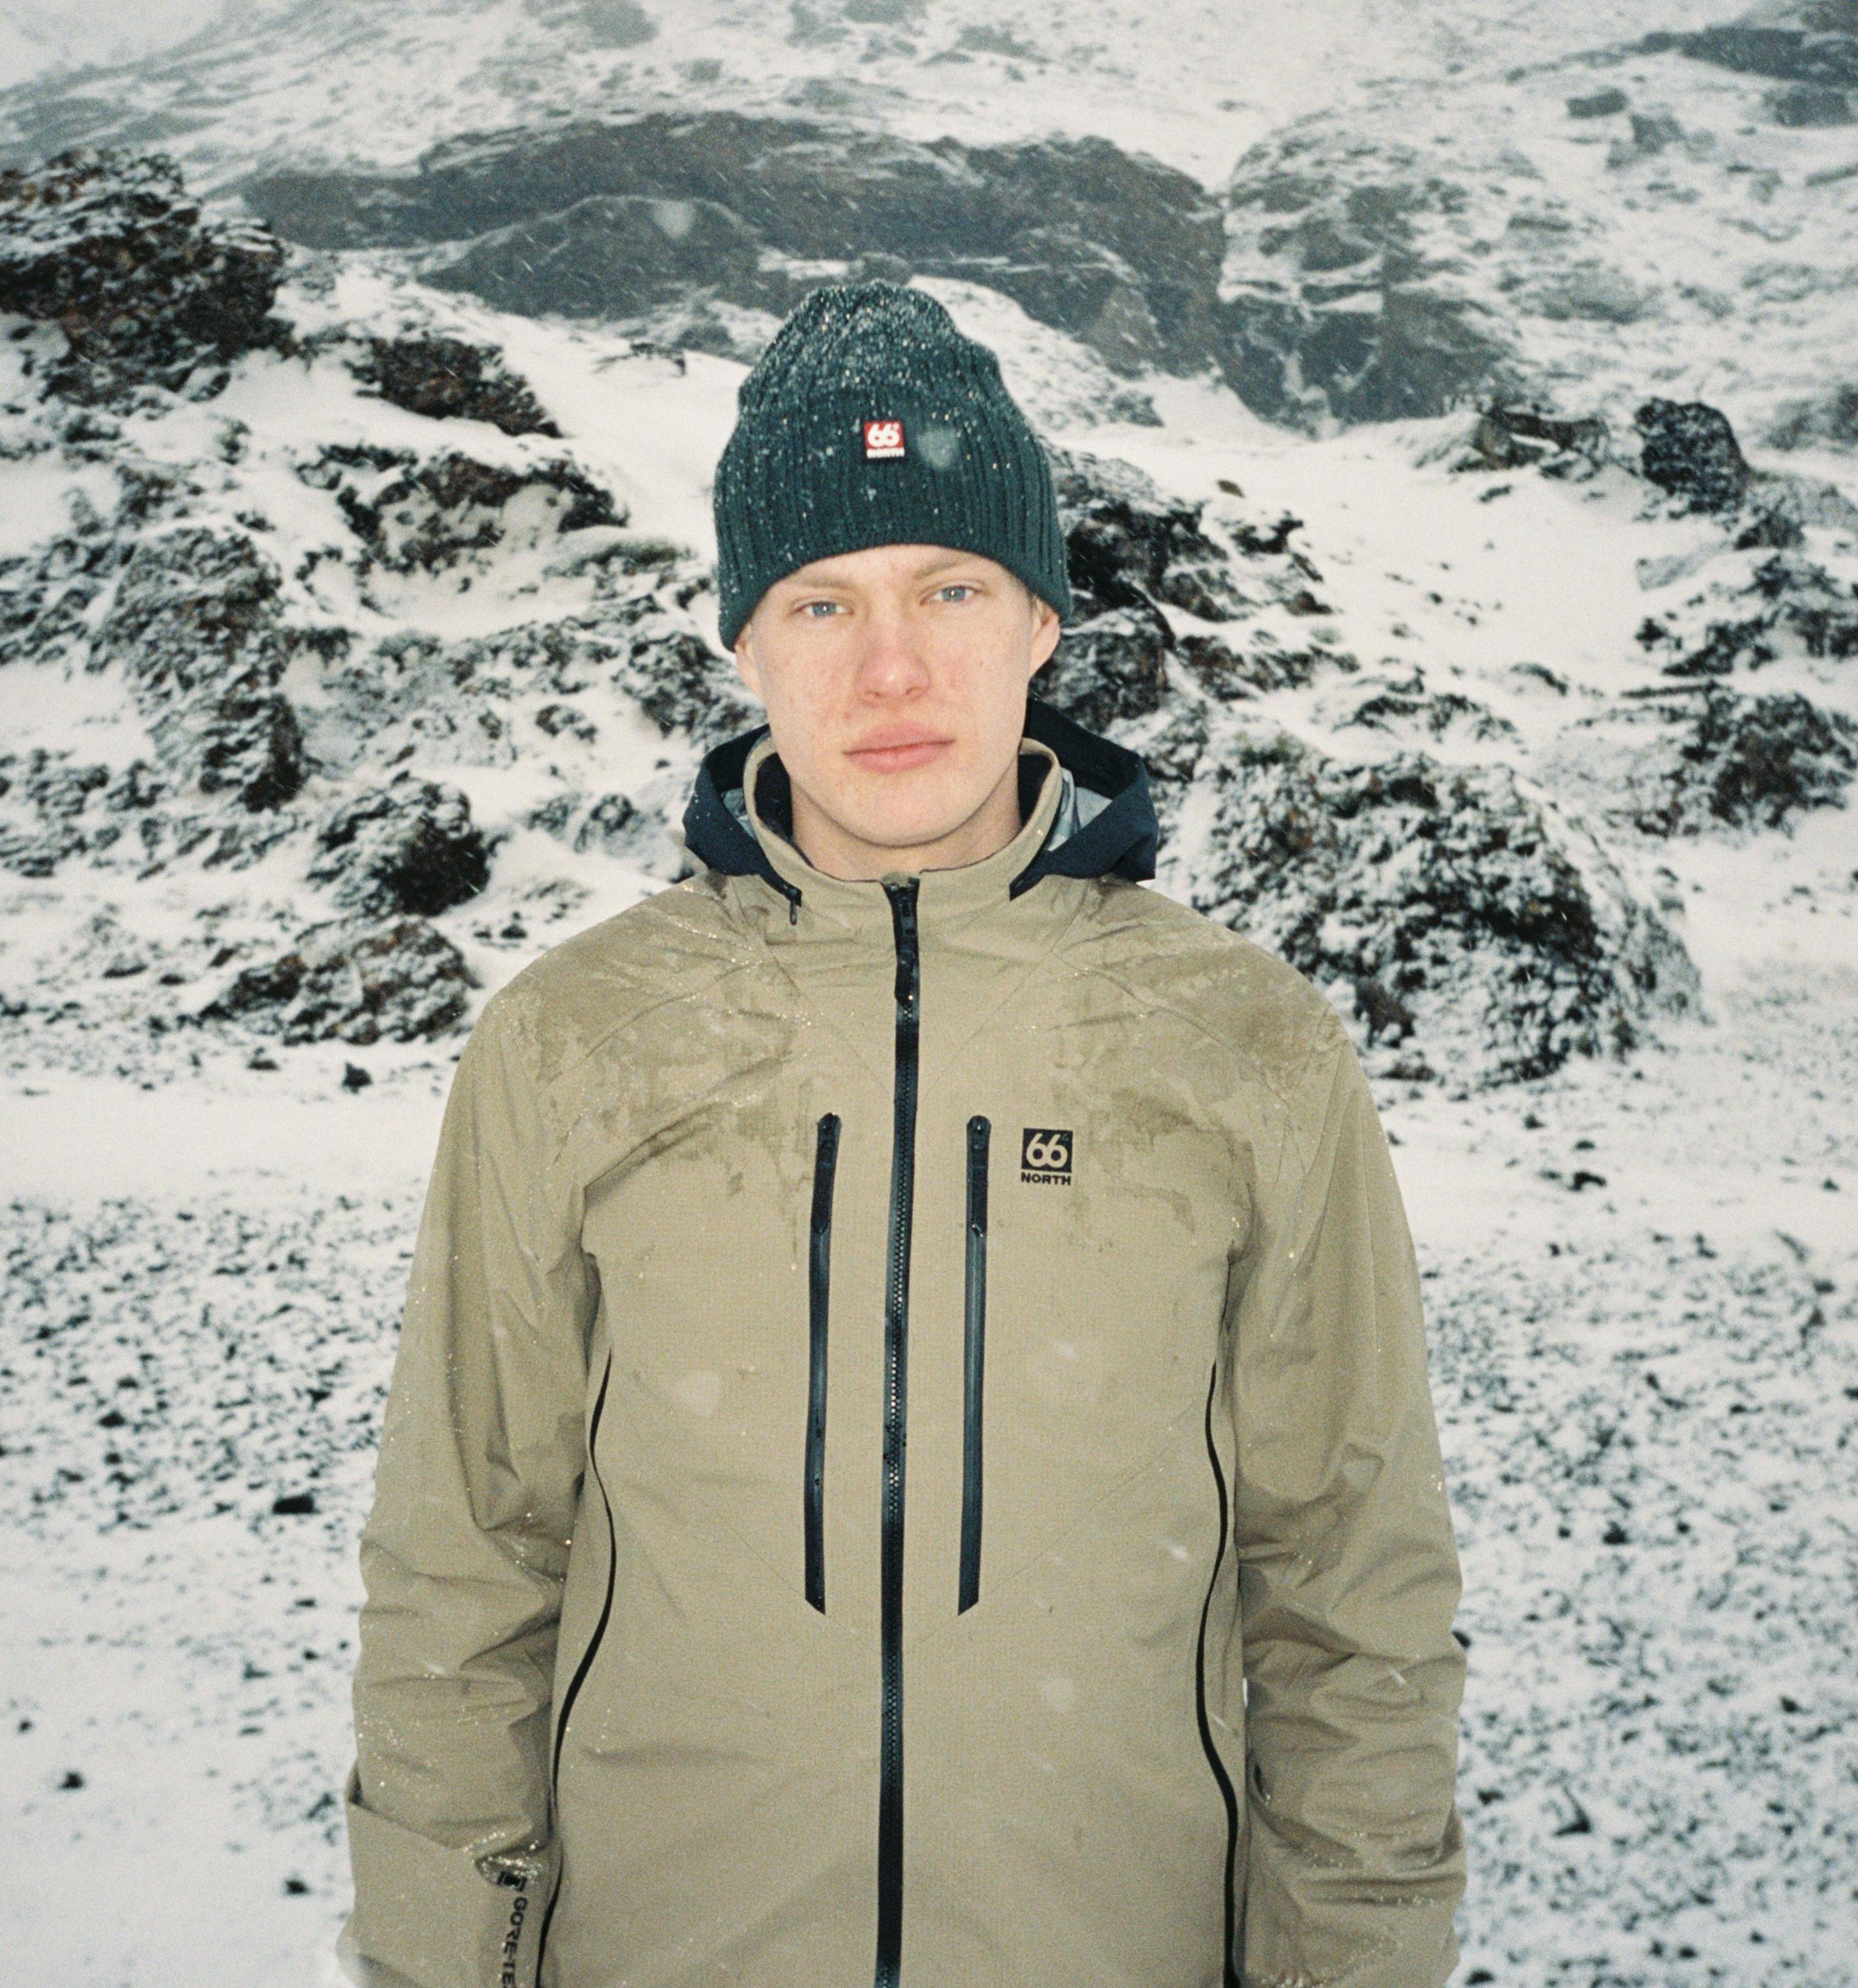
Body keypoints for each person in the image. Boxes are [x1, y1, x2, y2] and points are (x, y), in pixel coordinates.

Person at [335, 281, 1466, 1988]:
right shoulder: (570, 1042)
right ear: (743, 644)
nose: (890, 665)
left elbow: (1350, 1595)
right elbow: (463, 1578)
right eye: (819, 600)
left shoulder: (1247, 1045)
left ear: (1041, 625)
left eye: (951, 586)